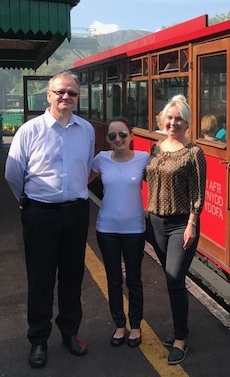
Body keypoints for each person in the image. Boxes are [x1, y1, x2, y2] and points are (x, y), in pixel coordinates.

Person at [4, 72, 95, 369]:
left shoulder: (87, 130)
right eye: (60, 92)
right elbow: (13, 174)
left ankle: (69, 333)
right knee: (41, 279)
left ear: (77, 97)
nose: (65, 97)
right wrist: (29, 202)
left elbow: (85, 169)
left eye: (71, 93)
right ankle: (39, 340)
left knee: (72, 277)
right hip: (40, 213)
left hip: (77, 213)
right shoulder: (29, 131)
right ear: (48, 95)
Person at [145, 95, 206, 365]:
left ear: (187, 122)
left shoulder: (194, 153)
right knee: (171, 279)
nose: (173, 122)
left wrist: (192, 224)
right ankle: (180, 327)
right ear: (162, 120)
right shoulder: (156, 149)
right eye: (169, 118)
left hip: (182, 224)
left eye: (179, 118)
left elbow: (198, 192)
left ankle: (180, 337)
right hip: (155, 222)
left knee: (174, 279)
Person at [89, 118, 150, 348]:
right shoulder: (101, 159)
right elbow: (83, 179)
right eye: (112, 136)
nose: (118, 139)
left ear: (131, 135)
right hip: (107, 229)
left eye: (122, 134)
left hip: (135, 229)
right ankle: (118, 324)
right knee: (114, 280)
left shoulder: (144, 158)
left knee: (134, 279)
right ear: (107, 140)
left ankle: (135, 325)